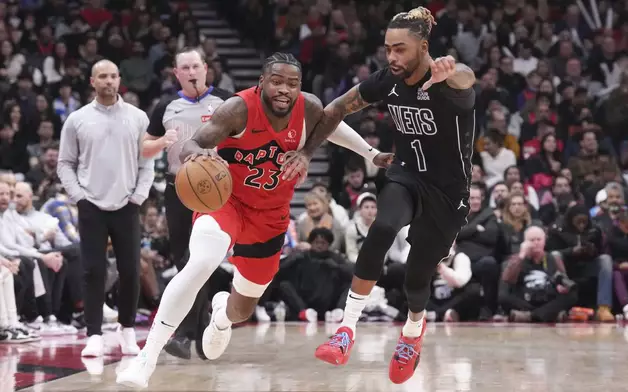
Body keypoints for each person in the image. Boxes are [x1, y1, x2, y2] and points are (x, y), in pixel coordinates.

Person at [116, 52, 394, 389]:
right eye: (276, 81)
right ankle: (146, 357)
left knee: (242, 310)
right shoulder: (238, 109)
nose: (284, 89)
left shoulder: (307, 107)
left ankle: (220, 318)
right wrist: (197, 154)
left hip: (271, 217)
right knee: (201, 261)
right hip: (226, 202)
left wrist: (369, 154)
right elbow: (196, 142)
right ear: (262, 82)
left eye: (292, 84)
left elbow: (332, 122)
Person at [281, 6, 476, 384]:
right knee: (382, 228)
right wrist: (307, 151)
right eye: (388, 48)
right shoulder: (387, 80)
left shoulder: (450, 85)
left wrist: (452, 69)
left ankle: (412, 334)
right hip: (405, 174)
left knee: (417, 278)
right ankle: (345, 330)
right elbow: (337, 108)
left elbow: (466, 80)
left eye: (400, 49)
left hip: (448, 194)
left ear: (423, 47)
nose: (391, 57)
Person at [57, 60, 154, 357]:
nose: (109, 81)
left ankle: (126, 331)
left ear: (119, 79)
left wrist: (138, 196)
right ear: (92, 81)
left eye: (113, 76)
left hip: (127, 204)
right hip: (91, 206)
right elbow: (65, 163)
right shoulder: (77, 119)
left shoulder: (138, 118)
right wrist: (79, 198)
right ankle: (94, 334)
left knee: (129, 271)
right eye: (103, 76)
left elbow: (147, 161)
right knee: (93, 271)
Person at [141, 47, 232, 360]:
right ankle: (203, 329)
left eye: (196, 66)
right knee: (185, 260)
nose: (192, 72)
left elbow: (245, 141)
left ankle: (188, 333)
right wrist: (161, 143)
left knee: (201, 261)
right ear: (176, 73)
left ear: (206, 68)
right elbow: (145, 148)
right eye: (185, 68)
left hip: (217, 191)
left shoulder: (227, 101)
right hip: (178, 188)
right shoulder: (165, 105)